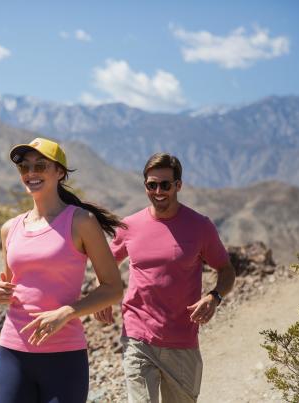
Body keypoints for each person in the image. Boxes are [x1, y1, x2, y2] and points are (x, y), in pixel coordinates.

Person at [0, 137, 125, 403]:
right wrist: (1, 293)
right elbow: (11, 285)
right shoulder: (10, 228)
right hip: (13, 352)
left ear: (60, 172)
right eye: (24, 167)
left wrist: (66, 312)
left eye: (40, 166)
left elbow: (114, 288)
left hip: (64, 357)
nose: (31, 173)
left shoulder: (81, 221)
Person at [95, 152, 236, 403]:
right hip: (138, 336)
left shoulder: (200, 226)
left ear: (178, 185)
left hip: (181, 340)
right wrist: (102, 294)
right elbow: (105, 264)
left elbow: (226, 270)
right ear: (145, 186)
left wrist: (214, 297)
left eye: (165, 185)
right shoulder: (129, 226)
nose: (158, 191)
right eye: (152, 185)